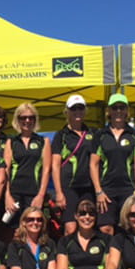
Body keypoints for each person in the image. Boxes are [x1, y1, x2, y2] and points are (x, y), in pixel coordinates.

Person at [91, 93, 135, 235]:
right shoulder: (100, 135)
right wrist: (98, 191)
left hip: (128, 189)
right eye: (115, 108)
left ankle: (126, 257)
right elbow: (94, 164)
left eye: (122, 107)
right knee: (105, 228)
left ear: (127, 111)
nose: (118, 111)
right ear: (109, 111)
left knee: (128, 228)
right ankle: (110, 257)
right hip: (107, 189)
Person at [3, 102, 51, 235]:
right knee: (14, 232)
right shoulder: (11, 142)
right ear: (17, 120)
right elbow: (6, 170)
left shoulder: (43, 141)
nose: (27, 120)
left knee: (34, 230)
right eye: (23, 118)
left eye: (31, 117)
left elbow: (47, 170)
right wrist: (7, 195)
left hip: (34, 193)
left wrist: (41, 195)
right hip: (15, 194)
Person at [52, 94, 96, 236]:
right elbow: (55, 165)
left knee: (87, 224)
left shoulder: (92, 133)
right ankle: (67, 257)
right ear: (67, 112)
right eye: (73, 109)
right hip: (68, 187)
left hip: (88, 187)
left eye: (80, 108)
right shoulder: (61, 135)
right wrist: (59, 192)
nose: (77, 112)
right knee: (70, 227)